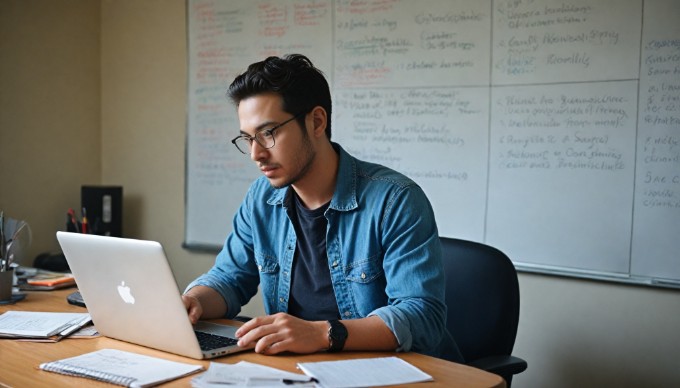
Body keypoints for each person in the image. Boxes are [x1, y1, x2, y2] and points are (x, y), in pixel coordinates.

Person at [182, 54, 462, 362]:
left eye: (268, 133)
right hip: (299, 370)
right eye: (248, 138)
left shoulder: (396, 200)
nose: (256, 154)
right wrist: (192, 301)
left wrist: (321, 334)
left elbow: (422, 316)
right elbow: (230, 278)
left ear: (317, 121)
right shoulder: (261, 198)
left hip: (391, 372)